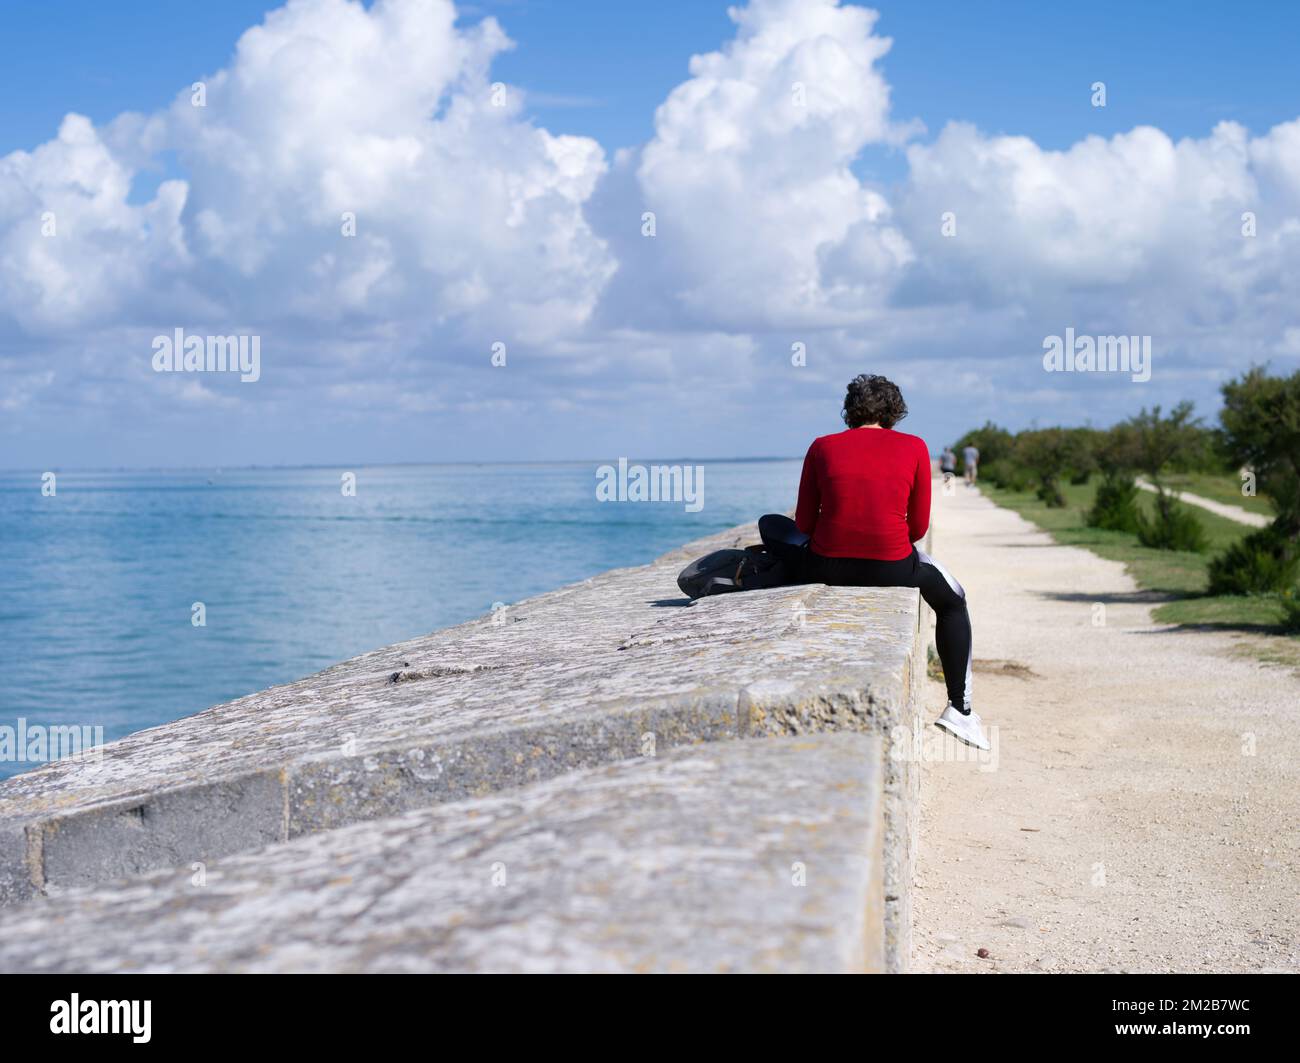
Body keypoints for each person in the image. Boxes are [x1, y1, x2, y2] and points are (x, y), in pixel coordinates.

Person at [759, 374, 988, 750]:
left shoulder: (821, 446)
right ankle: (960, 710)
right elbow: (917, 528)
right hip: (893, 567)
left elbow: (804, 523)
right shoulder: (915, 447)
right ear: (895, 412)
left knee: (772, 524)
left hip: (824, 566)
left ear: (849, 410)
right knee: (954, 599)